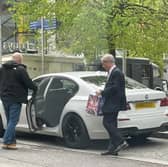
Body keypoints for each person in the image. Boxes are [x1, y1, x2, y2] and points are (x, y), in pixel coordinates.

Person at [0, 52, 37, 150]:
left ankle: (11, 143)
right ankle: (6, 141)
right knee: (13, 121)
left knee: (9, 120)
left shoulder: (2, 69)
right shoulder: (20, 69)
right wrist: (35, 88)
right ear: (20, 60)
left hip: (4, 98)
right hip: (15, 99)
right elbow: (28, 82)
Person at [96, 53, 128, 156]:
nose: (103, 65)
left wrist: (102, 92)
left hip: (113, 102)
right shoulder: (113, 72)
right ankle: (112, 148)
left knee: (107, 123)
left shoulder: (116, 72)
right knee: (112, 124)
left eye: (103, 63)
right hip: (113, 102)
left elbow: (115, 87)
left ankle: (121, 141)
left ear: (109, 62)